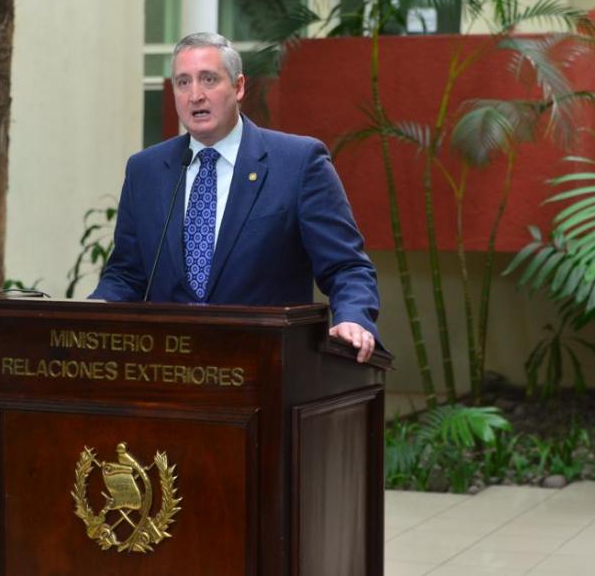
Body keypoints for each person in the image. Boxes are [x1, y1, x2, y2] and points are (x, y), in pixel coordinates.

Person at [92, 32, 379, 362]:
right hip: (167, 369)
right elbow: (127, 274)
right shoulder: (146, 170)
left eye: (208, 79)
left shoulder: (297, 162)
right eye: (182, 82)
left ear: (239, 86)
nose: (195, 95)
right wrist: (91, 313)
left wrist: (353, 318)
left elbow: (346, 266)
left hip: (267, 367)